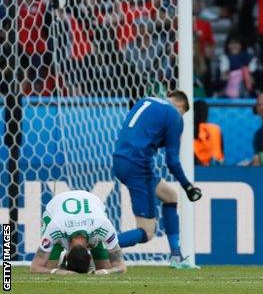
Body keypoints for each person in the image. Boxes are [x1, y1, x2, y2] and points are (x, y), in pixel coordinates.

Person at [113, 91, 203, 269]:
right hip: (138, 166)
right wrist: (188, 186)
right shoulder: (174, 115)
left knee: (170, 196)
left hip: (120, 159)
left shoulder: (145, 100)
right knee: (147, 232)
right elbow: (172, 162)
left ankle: (176, 256)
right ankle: (94, 248)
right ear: (182, 107)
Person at [30, 190, 126, 275]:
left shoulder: (102, 226)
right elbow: (35, 268)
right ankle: (61, 260)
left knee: (104, 269)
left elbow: (121, 267)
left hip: (91, 204)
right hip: (56, 207)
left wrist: (105, 271)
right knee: (48, 269)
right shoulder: (55, 228)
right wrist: (58, 271)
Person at [193, 100, 224, 166]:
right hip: (217, 166)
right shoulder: (217, 128)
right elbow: (222, 152)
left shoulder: (190, 130)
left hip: (198, 168)